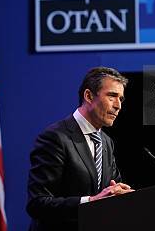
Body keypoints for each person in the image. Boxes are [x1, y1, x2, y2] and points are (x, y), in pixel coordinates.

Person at [27, 66, 134, 230]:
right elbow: (38, 204)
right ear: (89, 96)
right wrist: (90, 202)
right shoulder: (56, 138)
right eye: (112, 96)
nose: (118, 105)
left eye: (121, 99)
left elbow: (112, 189)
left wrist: (123, 195)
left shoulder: (106, 142)